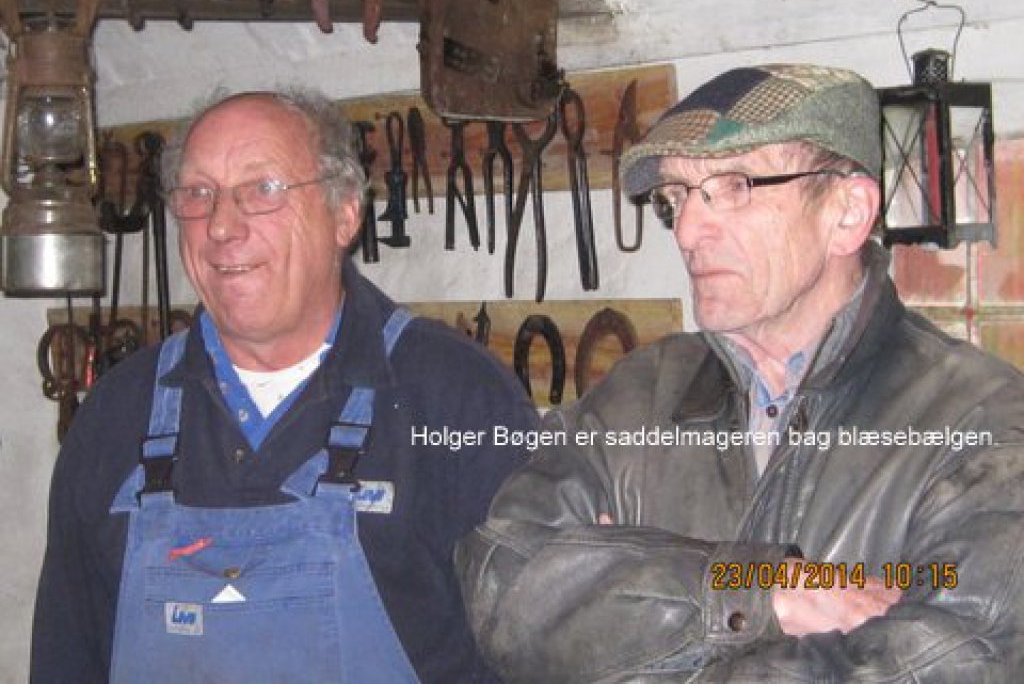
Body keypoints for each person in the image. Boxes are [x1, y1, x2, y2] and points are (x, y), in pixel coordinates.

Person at [455, 64, 1024, 682]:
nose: (687, 231)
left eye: (735, 186)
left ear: (847, 213)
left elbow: (959, 664)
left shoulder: (983, 424)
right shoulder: (636, 396)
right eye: (676, 197)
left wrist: (624, 618)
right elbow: (501, 587)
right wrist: (759, 592)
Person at [31, 90, 536, 683]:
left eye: (263, 188)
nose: (221, 225)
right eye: (197, 194)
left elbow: (535, 656)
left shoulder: (461, 403)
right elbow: (65, 659)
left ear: (345, 214)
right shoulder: (118, 414)